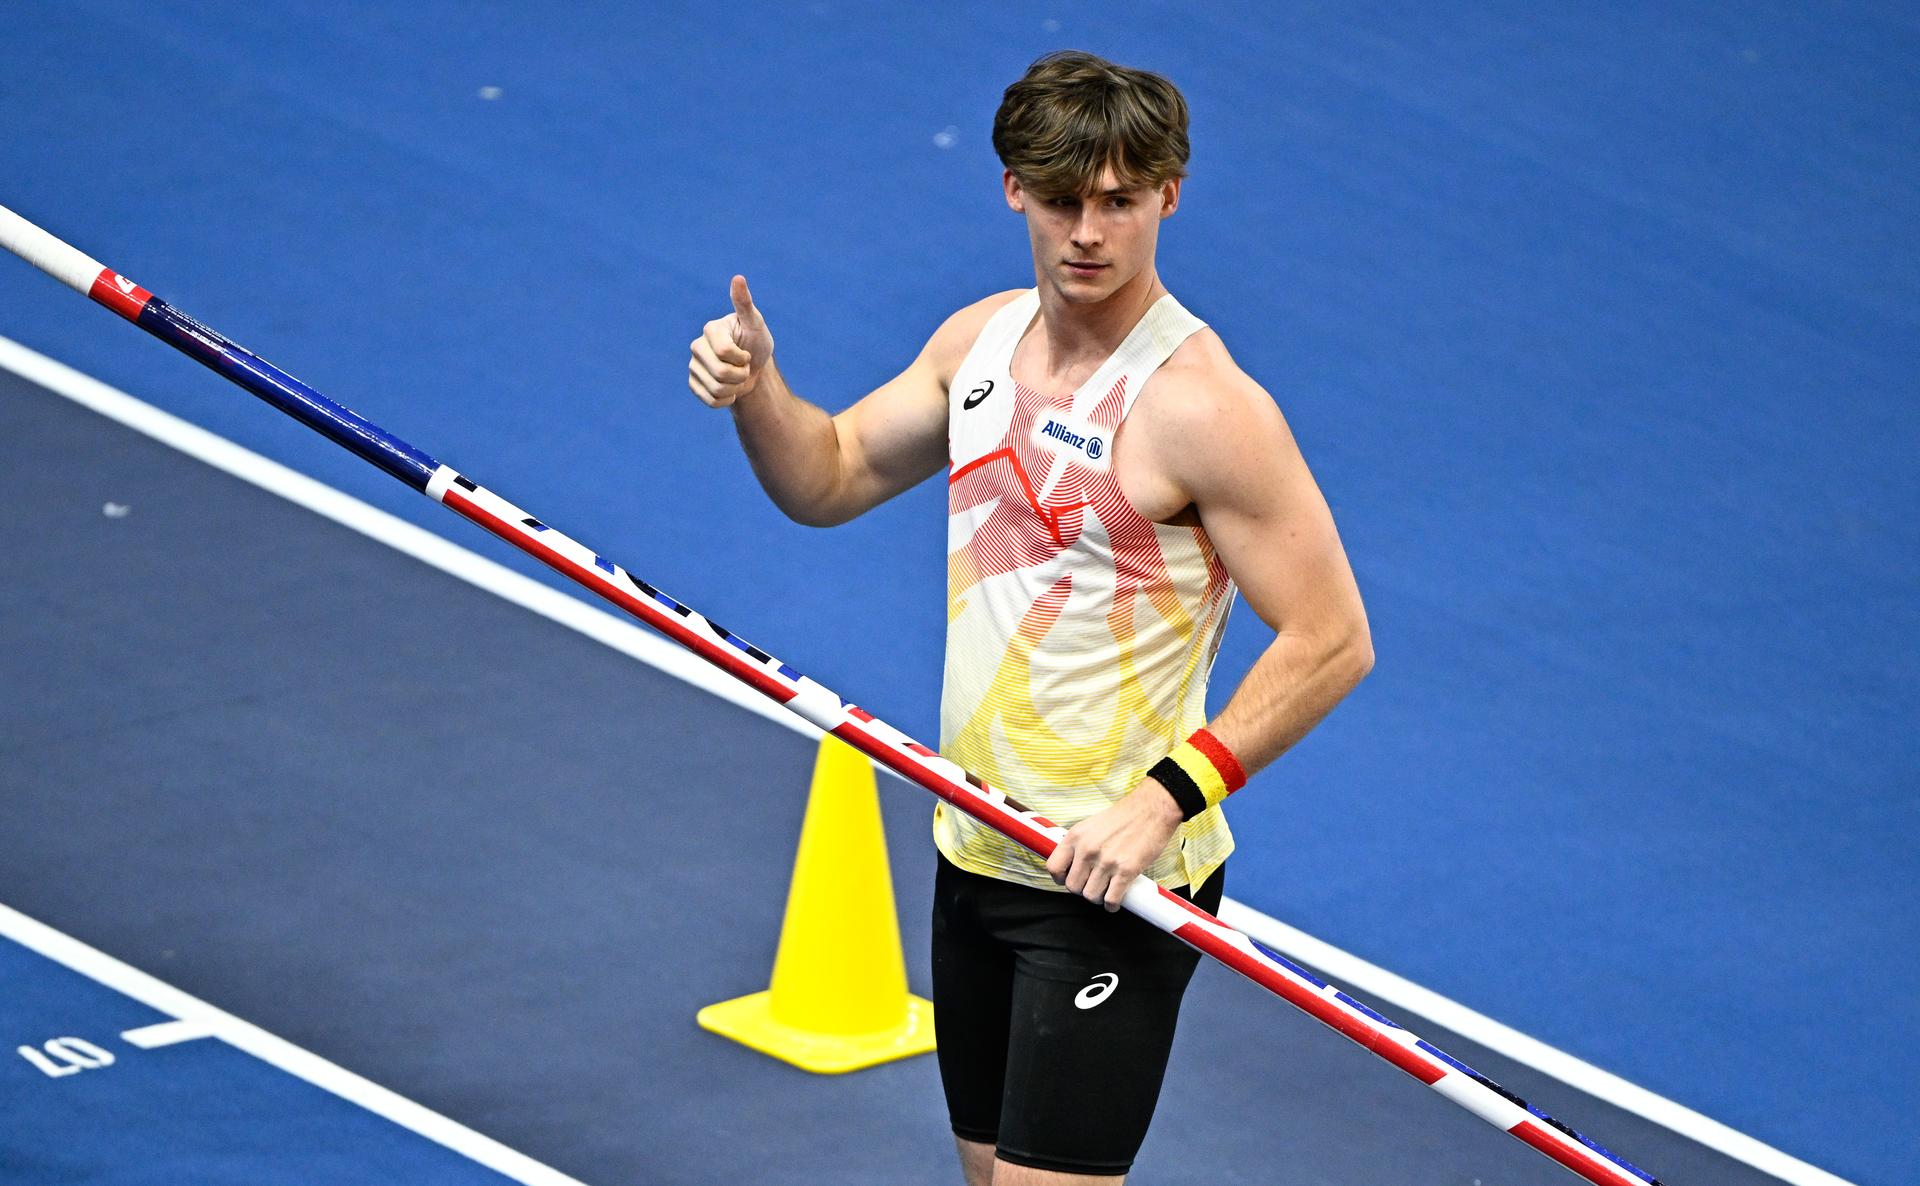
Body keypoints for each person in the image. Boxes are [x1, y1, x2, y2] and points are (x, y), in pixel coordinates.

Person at [688, 49, 1372, 1186]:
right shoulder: (980, 346)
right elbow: (831, 476)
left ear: (1170, 195)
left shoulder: (1206, 411)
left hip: (1114, 886)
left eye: (1119, 201)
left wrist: (1162, 803)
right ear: (1014, 189)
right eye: (1062, 201)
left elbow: (1333, 637)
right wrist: (758, 390)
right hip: (978, 847)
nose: (1088, 232)